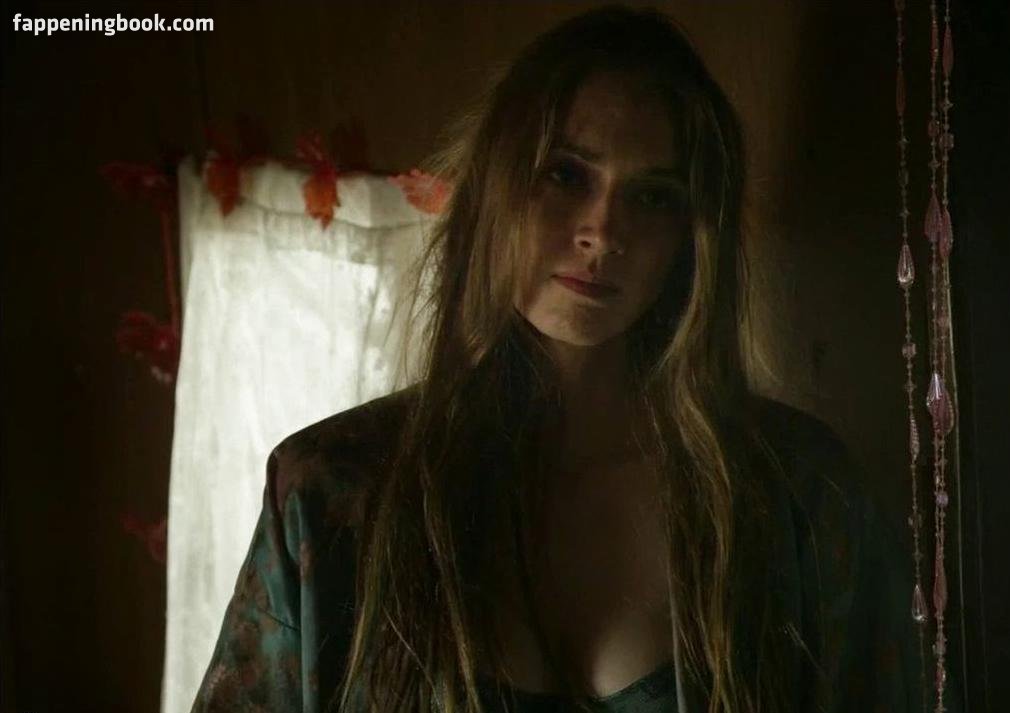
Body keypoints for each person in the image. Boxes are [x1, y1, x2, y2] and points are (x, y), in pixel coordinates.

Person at [191, 6, 935, 712]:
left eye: (652, 197)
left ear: (691, 238)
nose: (602, 232)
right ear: (496, 187)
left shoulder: (798, 495)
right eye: (567, 175)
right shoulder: (334, 493)